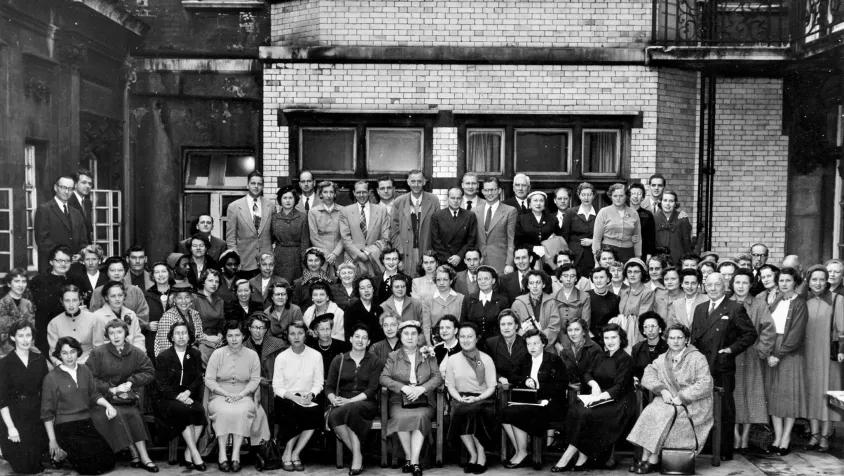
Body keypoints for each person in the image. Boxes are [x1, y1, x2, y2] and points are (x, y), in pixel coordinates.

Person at [626, 324, 714, 474]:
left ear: (686, 340)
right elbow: (648, 374)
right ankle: (647, 456)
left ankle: (652, 458)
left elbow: (706, 383)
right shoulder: (663, 358)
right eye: (672, 338)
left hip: (693, 403)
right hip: (669, 400)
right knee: (651, 410)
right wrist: (662, 390)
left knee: (663, 414)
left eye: (680, 338)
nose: (676, 341)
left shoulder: (697, 358)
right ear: (667, 340)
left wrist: (683, 396)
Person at [690, 272, 757, 460]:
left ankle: (724, 450)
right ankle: (705, 446)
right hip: (701, 367)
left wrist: (731, 349)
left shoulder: (735, 308)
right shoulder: (700, 308)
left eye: (716, 284)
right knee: (702, 407)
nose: (712, 288)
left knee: (724, 409)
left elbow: (750, 334)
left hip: (721, 366)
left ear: (724, 286)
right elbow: (695, 338)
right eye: (709, 285)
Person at [551, 324, 635, 471]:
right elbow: (587, 373)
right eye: (606, 338)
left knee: (586, 413)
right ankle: (582, 456)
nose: (610, 341)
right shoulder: (600, 355)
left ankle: (567, 456)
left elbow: (620, 386)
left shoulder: (625, 359)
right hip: (599, 396)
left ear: (620, 339)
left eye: (613, 337)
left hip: (619, 402)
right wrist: (594, 384)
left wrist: (600, 397)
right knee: (576, 409)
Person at [87, 319, 157, 472]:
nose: (116, 336)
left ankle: (144, 457)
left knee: (132, 413)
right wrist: (110, 389)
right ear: (107, 335)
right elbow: (89, 377)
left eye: (119, 332)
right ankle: (134, 454)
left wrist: (131, 382)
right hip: (104, 398)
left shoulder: (135, 352)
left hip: (126, 397)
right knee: (118, 414)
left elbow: (149, 372)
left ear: (125, 333)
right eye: (111, 333)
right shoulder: (98, 353)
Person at [41, 336, 118, 475]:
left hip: (85, 423)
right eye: (64, 353)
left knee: (108, 462)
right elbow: (47, 413)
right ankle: (60, 452)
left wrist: (108, 406)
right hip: (65, 426)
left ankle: (65, 456)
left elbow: (94, 394)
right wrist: (52, 441)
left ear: (78, 352)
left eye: (72, 351)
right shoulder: (51, 378)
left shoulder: (85, 370)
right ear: (59, 354)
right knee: (89, 468)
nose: (69, 356)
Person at [380, 320, 444, 476]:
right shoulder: (393, 356)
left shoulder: (428, 353)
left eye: (414, 334)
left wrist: (422, 388)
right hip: (399, 400)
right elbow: (383, 378)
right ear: (400, 337)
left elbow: (437, 377)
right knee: (400, 417)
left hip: (423, 400)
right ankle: (411, 459)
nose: (410, 337)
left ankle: (413, 461)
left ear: (419, 336)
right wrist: (404, 388)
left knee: (421, 416)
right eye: (406, 334)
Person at [205, 320, 270, 472]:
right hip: (219, 394)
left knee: (241, 411)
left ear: (243, 336)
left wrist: (241, 394)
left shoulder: (252, 355)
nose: (234, 339)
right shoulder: (217, 354)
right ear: (225, 337)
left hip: (244, 395)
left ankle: (235, 456)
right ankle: (222, 454)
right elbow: (209, 379)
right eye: (230, 336)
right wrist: (225, 393)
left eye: (237, 335)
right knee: (223, 411)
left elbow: (255, 380)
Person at [500, 329, 568, 469]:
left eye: (536, 343)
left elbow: (561, 384)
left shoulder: (554, 360)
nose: (532, 347)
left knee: (517, 412)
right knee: (504, 412)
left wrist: (539, 390)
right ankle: (521, 450)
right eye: (529, 344)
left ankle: (522, 452)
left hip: (550, 403)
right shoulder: (524, 359)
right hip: (529, 401)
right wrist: (525, 380)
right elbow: (512, 375)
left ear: (543, 343)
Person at [326, 324, 383, 475]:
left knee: (352, 410)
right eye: (357, 336)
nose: (360, 340)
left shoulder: (375, 361)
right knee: (333, 416)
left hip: (366, 402)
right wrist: (333, 399)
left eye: (364, 338)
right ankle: (359, 453)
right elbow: (329, 387)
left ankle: (356, 458)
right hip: (342, 400)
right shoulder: (339, 360)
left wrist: (349, 401)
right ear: (350, 339)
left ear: (369, 342)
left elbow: (372, 389)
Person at [730, 268, 776, 454]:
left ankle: (745, 436)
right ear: (732, 284)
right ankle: (734, 435)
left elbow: (769, 329)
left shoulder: (759, 304)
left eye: (745, 283)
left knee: (750, 396)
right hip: (731, 356)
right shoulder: (726, 303)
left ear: (750, 285)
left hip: (751, 357)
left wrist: (761, 350)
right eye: (737, 282)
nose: (741, 286)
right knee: (732, 396)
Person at [444, 322, 497, 474]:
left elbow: (491, 387)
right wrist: (459, 398)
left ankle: (481, 456)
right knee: (460, 411)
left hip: (483, 398)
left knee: (476, 413)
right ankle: (472, 455)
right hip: (460, 398)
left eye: (469, 336)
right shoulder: (452, 359)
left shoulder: (486, 359)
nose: (466, 340)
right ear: (458, 338)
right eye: (462, 336)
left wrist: (477, 398)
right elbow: (450, 386)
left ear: (476, 339)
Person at [766, 267, 808, 456]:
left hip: (789, 353)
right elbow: (766, 327)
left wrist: (779, 354)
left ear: (795, 282)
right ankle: (777, 436)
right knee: (774, 395)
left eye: (788, 281)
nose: (784, 284)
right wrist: (767, 351)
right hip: (772, 350)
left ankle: (786, 438)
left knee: (788, 396)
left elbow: (796, 334)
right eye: (781, 280)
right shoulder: (776, 301)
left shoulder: (799, 303)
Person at [272, 320, 324, 472]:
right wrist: (293, 397)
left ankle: (296, 453)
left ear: (305, 335)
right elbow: (277, 386)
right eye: (292, 334)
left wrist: (311, 394)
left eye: (300, 333)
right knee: (293, 411)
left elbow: (319, 382)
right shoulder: (281, 357)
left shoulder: (315, 355)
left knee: (315, 412)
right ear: (287, 336)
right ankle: (287, 453)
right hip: (287, 397)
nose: (296, 337)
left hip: (308, 397)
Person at [154, 321, 206, 471]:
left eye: (184, 333)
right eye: (177, 333)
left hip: (188, 395)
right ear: (171, 336)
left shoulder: (195, 354)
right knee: (184, 411)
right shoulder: (164, 356)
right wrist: (178, 396)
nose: (181, 336)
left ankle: (189, 452)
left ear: (189, 336)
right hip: (168, 399)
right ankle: (195, 454)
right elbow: (162, 385)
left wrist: (188, 392)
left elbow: (198, 377)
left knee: (199, 411)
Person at [804, 264, 844, 452]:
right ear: (808, 282)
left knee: (828, 394)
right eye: (814, 279)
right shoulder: (803, 300)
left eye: (822, 279)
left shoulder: (837, 300)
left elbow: (842, 329)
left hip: (829, 355)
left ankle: (826, 436)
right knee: (811, 394)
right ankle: (814, 434)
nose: (818, 283)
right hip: (807, 355)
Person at [0, 320, 49, 474]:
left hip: (35, 414)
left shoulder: (39, 359)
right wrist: (11, 428)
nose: (25, 339)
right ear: (13, 338)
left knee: (36, 466)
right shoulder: (5, 363)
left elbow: (46, 390)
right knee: (25, 468)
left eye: (28, 335)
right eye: (20, 336)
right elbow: (2, 399)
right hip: (14, 416)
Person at [29, 245, 84, 353]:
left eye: (67, 261)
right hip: (46, 332)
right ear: (51, 262)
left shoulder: (76, 280)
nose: (63, 264)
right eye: (59, 260)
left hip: (71, 330)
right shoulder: (38, 281)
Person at [34, 175, 89, 272]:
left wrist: (80, 254)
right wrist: (65, 256)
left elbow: (83, 240)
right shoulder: (44, 210)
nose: (67, 192)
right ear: (56, 188)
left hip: (74, 268)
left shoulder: (76, 213)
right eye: (63, 188)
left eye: (70, 189)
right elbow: (42, 241)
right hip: (51, 268)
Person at [225, 170, 275, 276]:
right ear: (247, 185)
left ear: (262, 186)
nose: (256, 186)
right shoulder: (234, 207)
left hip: (265, 262)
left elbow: (272, 234)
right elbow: (231, 238)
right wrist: (235, 260)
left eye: (259, 184)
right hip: (244, 261)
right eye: (253, 183)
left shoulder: (270, 206)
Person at [391, 170, 439, 277]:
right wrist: (399, 253)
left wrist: (432, 252)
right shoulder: (399, 202)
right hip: (406, 250)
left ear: (424, 182)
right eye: (413, 181)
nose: (416, 185)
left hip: (426, 248)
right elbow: (394, 231)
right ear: (408, 182)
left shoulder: (434, 200)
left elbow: (437, 228)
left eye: (419, 181)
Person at [341, 180, 391, 277]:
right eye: (358, 192)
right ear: (354, 193)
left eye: (364, 192)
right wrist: (360, 255)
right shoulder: (345, 211)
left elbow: (385, 238)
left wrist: (368, 253)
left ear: (369, 192)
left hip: (375, 260)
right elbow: (345, 238)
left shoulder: (381, 210)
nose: (361, 195)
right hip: (353, 261)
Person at [242, 312, 286, 421]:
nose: (258, 331)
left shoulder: (278, 344)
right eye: (255, 327)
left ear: (266, 330)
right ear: (249, 328)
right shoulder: (243, 348)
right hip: (253, 385)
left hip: (275, 384)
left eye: (262, 328)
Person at [47, 284, 102, 365]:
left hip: (89, 364)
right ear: (62, 301)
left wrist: (83, 364)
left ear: (80, 300)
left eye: (74, 300)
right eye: (67, 301)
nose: (71, 304)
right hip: (65, 367)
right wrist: (64, 367)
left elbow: (98, 349)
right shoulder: (54, 323)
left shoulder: (94, 319)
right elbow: (53, 354)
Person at [473, 176, 518, 275]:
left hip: (500, 263)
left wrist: (509, 263)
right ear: (482, 191)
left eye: (492, 190)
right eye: (486, 190)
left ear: (499, 191)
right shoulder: (475, 211)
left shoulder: (510, 211)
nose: (489, 193)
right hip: (479, 262)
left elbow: (511, 240)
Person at [89, 256, 150, 327]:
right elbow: (93, 316)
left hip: (132, 332)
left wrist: (126, 328)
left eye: (120, 270)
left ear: (125, 271)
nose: (116, 273)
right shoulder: (98, 291)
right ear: (107, 272)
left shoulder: (135, 291)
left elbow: (143, 316)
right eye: (112, 270)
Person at [431, 187, 478, 272]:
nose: (456, 201)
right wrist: (448, 258)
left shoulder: (470, 216)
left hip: (462, 261)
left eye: (458, 198)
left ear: (462, 199)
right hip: (443, 261)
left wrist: (459, 256)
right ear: (447, 198)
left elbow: (471, 240)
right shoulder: (437, 216)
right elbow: (435, 240)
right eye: (453, 198)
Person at [511, 270, 561, 350]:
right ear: (527, 286)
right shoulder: (518, 303)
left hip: (546, 347)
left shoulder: (552, 302)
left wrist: (540, 341)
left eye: (538, 283)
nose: (534, 286)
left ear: (543, 284)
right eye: (531, 283)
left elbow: (554, 327)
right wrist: (527, 339)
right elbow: (514, 327)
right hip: (525, 347)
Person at [592, 183, 642, 263]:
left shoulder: (634, 213)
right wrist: (596, 261)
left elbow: (637, 238)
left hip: (628, 252)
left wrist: (638, 257)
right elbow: (597, 238)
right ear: (611, 197)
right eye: (615, 196)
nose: (618, 198)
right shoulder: (604, 212)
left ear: (626, 196)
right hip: (608, 252)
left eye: (621, 196)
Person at [613, 258, 655, 352]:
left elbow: (642, 318)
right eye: (629, 272)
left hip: (637, 335)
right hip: (621, 332)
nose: (632, 275)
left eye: (636, 272)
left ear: (642, 273)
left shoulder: (647, 293)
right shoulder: (624, 292)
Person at [271, 185, 311, 283]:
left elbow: (305, 241)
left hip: (296, 257)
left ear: (295, 199)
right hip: (280, 256)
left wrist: (304, 263)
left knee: (296, 284)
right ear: (280, 200)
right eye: (284, 198)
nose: (287, 201)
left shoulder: (302, 217)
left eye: (290, 198)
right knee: (280, 284)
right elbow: (270, 239)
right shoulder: (274, 218)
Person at [153, 283, 204, 357]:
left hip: (191, 356)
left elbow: (199, 338)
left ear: (191, 299)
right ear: (174, 300)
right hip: (172, 359)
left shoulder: (195, 314)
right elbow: (166, 348)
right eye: (179, 298)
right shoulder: (167, 318)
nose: (184, 301)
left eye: (187, 297)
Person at [92, 281, 145, 351]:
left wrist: (137, 354)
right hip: (110, 358)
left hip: (132, 355)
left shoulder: (131, 314)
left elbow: (138, 338)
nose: (117, 299)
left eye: (120, 295)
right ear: (106, 297)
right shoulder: (97, 316)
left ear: (124, 296)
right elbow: (98, 344)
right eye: (113, 296)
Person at [308, 180, 345, 279]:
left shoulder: (343, 211)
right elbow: (314, 237)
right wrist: (327, 254)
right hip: (321, 256)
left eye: (331, 192)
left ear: (335, 194)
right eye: (325, 192)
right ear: (320, 194)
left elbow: (344, 236)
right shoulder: (313, 212)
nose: (328, 195)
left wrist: (334, 254)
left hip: (339, 256)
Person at [560, 182, 597, 277]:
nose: (586, 197)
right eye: (583, 195)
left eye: (589, 194)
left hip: (592, 255)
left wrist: (593, 241)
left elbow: (603, 236)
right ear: (579, 196)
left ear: (593, 196)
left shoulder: (599, 213)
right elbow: (564, 236)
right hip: (574, 255)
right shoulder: (570, 212)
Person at [380, 274, 431, 343]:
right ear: (391, 288)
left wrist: (419, 340)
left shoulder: (416, 304)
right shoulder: (384, 306)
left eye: (403, 286)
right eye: (397, 287)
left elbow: (424, 325)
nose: (400, 289)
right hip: (392, 346)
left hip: (414, 344)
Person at [464, 265, 509, 343]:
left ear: (493, 280)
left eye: (486, 279)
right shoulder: (469, 299)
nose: (483, 281)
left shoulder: (502, 301)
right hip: (473, 343)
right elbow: (464, 322)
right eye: (480, 279)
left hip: (496, 343)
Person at [484, 310, 530, 385]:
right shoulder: (491, 343)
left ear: (516, 326)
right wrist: (498, 377)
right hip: (499, 387)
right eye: (503, 324)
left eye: (510, 324)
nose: (506, 327)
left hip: (522, 386)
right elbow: (486, 367)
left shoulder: (526, 343)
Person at [514, 190, 557, 268]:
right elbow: (518, 241)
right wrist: (533, 248)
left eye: (541, 200)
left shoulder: (552, 219)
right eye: (535, 200)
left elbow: (558, 238)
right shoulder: (522, 219)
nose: (538, 203)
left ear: (545, 204)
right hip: (528, 257)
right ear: (529, 204)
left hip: (548, 258)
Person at [0, 268, 36, 358]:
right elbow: (3, 335)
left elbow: (32, 329)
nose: (21, 285)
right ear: (9, 284)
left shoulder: (28, 303)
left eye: (24, 281)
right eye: (17, 281)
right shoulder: (2, 303)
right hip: (6, 349)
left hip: (28, 347)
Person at [557, 318, 602, 387]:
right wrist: (568, 385)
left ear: (584, 331)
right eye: (570, 330)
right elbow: (562, 374)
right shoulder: (565, 350)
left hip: (592, 389)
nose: (573, 333)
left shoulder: (595, 348)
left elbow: (599, 374)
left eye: (577, 330)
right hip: (571, 390)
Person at [192, 268, 225, 362]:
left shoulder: (220, 300)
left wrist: (220, 335)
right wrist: (207, 338)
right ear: (203, 282)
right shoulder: (195, 299)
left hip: (217, 339)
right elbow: (191, 325)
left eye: (217, 281)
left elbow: (221, 322)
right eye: (210, 281)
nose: (214, 284)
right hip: (200, 341)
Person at [653, 190, 691, 266]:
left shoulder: (682, 218)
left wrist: (687, 258)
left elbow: (686, 241)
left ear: (675, 203)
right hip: (659, 260)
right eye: (665, 200)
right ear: (661, 202)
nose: (667, 204)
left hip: (678, 259)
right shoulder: (654, 218)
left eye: (671, 201)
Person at [307, 313, 351, 378]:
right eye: (322, 329)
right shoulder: (312, 347)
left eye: (328, 329)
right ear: (316, 331)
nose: (325, 332)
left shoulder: (343, 346)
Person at [630, 311, 668, 384]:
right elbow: (633, 371)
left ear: (660, 329)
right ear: (643, 331)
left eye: (653, 326)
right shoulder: (637, 348)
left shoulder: (668, 347)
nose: (650, 330)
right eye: (646, 327)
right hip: (642, 389)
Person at [345, 275, 385, 342]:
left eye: (369, 287)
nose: (366, 290)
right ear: (358, 291)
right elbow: (347, 334)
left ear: (373, 289)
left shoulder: (379, 310)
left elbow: (381, 334)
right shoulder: (351, 309)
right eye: (362, 288)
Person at [144, 261, 172, 353]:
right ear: (152, 276)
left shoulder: (177, 293)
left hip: (175, 337)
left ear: (169, 273)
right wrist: (146, 325)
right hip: (154, 338)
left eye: (163, 271)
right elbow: (139, 318)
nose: (160, 275)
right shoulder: (146, 295)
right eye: (157, 272)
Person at [554, 263, 591, 330]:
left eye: (572, 276)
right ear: (560, 277)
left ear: (576, 278)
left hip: (578, 334)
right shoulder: (553, 297)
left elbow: (585, 322)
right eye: (565, 276)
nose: (568, 279)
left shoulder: (585, 296)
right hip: (558, 336)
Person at [588, 267, 620, 339]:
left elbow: (615, 321)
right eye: (595, 278)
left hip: (608, 338)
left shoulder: (615, 299)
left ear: (608, 279)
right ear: (592, 280)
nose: (598, 280)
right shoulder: (586, 296)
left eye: (601, 277)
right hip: (589, 337)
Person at [628, 183, 656, 260]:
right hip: (625, 250)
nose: (635, 196)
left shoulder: (648, 215)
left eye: (639, 194)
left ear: (643, 197)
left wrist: (649, 254)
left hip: (642, 252)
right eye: (633, 193)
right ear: (629, 196)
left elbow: (651, 237)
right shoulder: (622, 212)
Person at [67, 168, 94, 241]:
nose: (88, 186)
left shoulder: (88, 203)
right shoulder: (67, 201)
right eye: (84, 182)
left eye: (90, 184)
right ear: (75, 184)